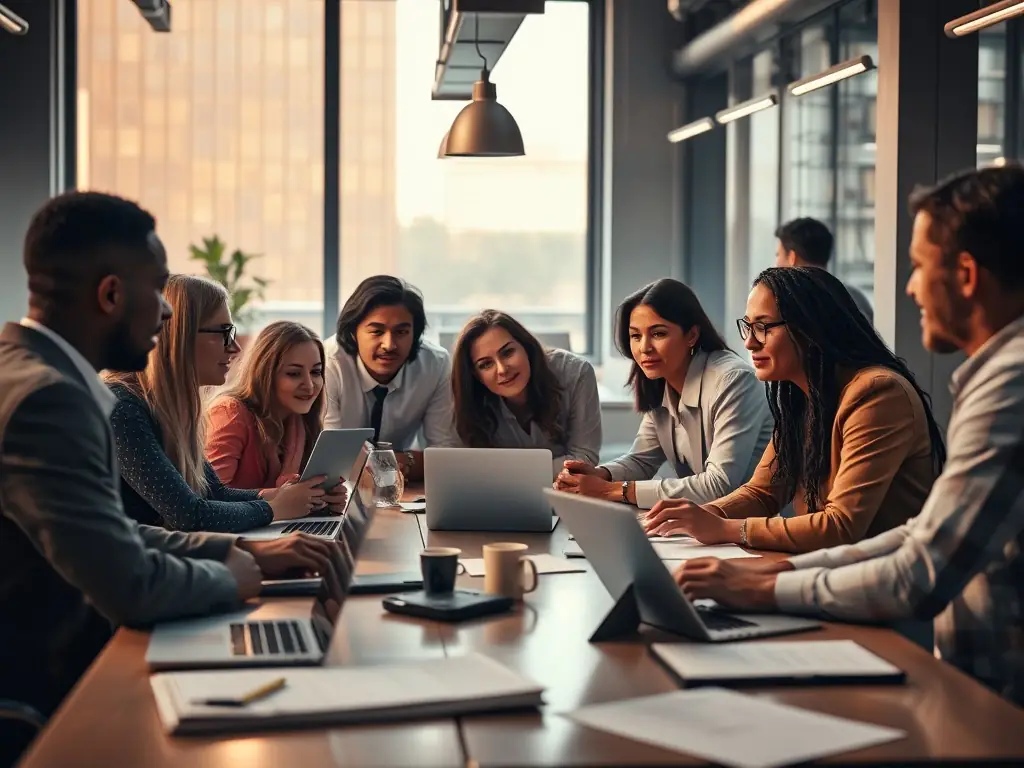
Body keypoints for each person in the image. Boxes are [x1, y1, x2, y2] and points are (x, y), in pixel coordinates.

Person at [0, 192, 344, 750]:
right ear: (111, 294)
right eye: (158, 289)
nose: (166, 312)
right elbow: (130, 585)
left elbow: (112, 532)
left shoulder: (33, 376)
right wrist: (240, 576)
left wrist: (245, 552)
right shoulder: (50, 400)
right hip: (45, 691)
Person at [676, 165, 1024, 705]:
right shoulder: (802, 396)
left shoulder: (1004, 381)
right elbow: (918, 537)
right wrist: (773, 566)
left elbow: (915, 566)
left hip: (988, 686)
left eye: (916, 266)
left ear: (966, 273)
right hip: (968, 672)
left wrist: (763, 580)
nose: (908, 288)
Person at [644, 267, 945, 552]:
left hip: (882, 585)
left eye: (763, 327)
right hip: (833, 572)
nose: (749, 342)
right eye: (748, 327)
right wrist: (693, 516)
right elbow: (761, 493)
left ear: (810, 328)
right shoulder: (803, 398)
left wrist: (726, 528)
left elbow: (841, 526)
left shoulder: (877, 393)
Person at [106, 275, 343, 532]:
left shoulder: (173, 410)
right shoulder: (122, 409)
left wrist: (296, 498)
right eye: (222, 333)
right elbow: (190, 515)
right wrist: (274, 508)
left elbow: (213, 492)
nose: (235, 349)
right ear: (179, 334)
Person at [556, 279, 770, 508]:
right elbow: (641, 460)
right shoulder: (662, 381)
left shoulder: (733, 380)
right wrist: (601, 475)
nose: (644, 348)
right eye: (635, 336)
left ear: (692, 335)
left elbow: (719, 485)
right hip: (713, 525)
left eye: (658, 334)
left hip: (759, 527)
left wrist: (613, 490)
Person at [323, 275, 458, 482]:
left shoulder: (435, 364)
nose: (389, 345)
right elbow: (333, 458)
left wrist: (407, 461)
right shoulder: (328, 363)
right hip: (339, 492)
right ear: (352, 333)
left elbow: (444, 455)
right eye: (377, 331)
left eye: (401, 332)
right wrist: (403, 461)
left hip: (400, 491)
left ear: (415, 334)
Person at [450, 310, 601, 479]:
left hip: (563, 493)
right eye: (486, 364)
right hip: (496, 497)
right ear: (475, 376)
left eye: (507, 353)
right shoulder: (466, 397)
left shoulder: (575, 372)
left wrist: (504, 475)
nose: (502, 369)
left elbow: (584, 459)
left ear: (526, 347)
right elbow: (461, 467)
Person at [206, 321, 327, 490]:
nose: (309, 385)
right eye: (294, 374)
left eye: (316, 372)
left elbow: (299, 498)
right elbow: (209, 497)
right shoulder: (230, 413)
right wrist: (282, 499)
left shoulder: (303, 423)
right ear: (265, 374)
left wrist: (324, 499)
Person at [775, 217, 874, 324]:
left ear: (792, 257)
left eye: (778, 255)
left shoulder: (790, 305)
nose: (776, 264)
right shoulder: (856, 298)